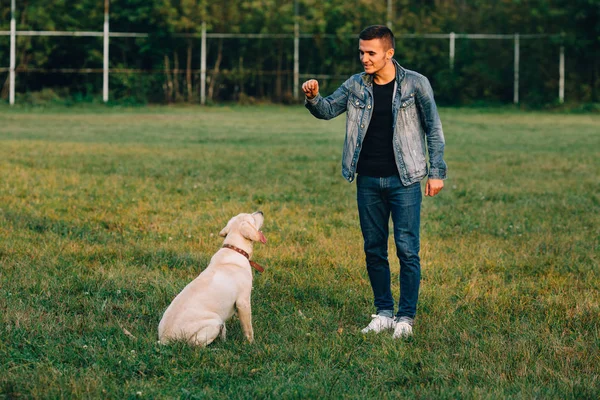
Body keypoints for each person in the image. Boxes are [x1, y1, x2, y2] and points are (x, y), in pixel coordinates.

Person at [302, 25, 447, 339]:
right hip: (367, 179)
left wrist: (436, 172)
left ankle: (405, 318)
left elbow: (434, 129)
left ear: (389, 53)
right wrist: (314, 99)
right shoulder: (356, 85)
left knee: (407, 250)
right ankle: (383, 312)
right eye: (361, 52)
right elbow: (327, 111)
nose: (364, 58)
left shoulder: (416, 84)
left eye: (371, 53)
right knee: (373, 249)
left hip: (405, 178)